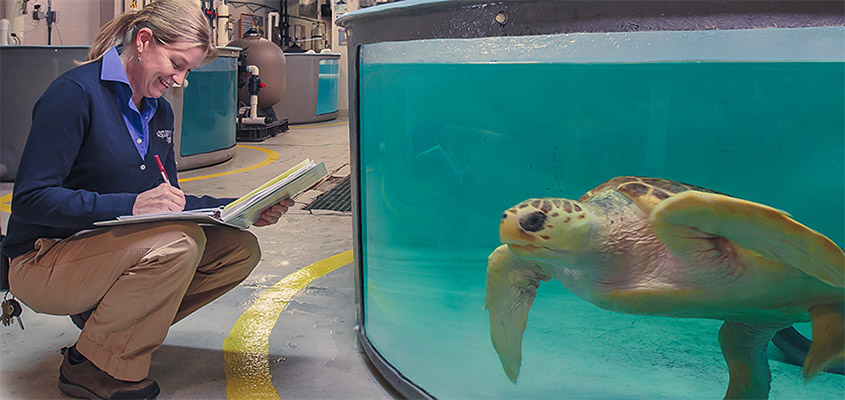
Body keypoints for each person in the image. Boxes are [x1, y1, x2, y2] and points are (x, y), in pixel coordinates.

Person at [0, 1, 293, 398]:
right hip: (42, 257)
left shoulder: (158, 114)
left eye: (187, 70)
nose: (180, 78)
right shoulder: (74, 95)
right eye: (176, 64)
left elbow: (169, 202)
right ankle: (89, 367)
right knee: (178, 244)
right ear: (143, 42)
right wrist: (132, 205)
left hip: (105, 254)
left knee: (238, 249)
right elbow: (32, 200)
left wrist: (244, 207)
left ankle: (107, 333)